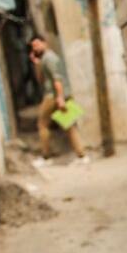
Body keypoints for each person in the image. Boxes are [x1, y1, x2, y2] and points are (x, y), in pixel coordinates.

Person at [29, 36, 89, 165]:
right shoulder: (46, 58)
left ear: (44, 43)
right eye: (33, 46)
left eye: (37, 45)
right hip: (60, 95)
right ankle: (81, 155)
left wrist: (60, 98)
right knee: (69, 125)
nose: (35, 48)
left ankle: (46, 157)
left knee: (42, 125)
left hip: (53, 96)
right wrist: (37, 64)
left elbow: (56, 80)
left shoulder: (49, 58)